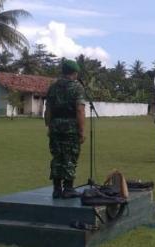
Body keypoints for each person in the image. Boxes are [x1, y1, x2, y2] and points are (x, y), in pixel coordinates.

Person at [45, 59, 86, 199]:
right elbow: (80, 111)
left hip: (55, 126)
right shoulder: (77, 87)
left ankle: (56, 189)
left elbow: (48, 109)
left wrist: (49, 127)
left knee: (57, 157)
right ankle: (68, 188)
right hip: (71, 128)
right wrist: (81, 131)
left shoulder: (53, 87)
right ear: (74, 73)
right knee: (70, 157)